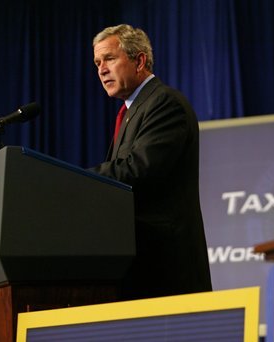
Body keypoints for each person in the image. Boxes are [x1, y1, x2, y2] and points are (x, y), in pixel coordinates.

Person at [90, 24, 212, 300]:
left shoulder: (164, 104)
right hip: (141, 268)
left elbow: (137, 171)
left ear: (139, 60)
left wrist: (77, 179)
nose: (101, 69)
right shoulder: (132, 112)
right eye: (97, 63)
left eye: (109, 58)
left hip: (167, 273)